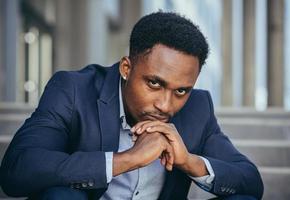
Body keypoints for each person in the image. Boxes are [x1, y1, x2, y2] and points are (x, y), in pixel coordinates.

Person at [0, 12, 263, 200]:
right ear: (127, 67)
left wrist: (189, 162)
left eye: (181, 90)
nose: (164, 105)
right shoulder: (73, 89)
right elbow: (17, 169)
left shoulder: (198, 107)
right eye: (154, 83)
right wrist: (125, 160)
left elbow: (250, 180)